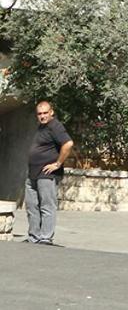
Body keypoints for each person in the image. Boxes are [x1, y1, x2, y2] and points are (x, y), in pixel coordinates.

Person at [26, 101, 73, 245]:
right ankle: (34, 236)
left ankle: (46, 237)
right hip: (33, 172)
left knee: (47, 205)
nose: (42, 116)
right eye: (39, 114)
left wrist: (57, 164)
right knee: (32, 206)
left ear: (51, 112)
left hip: (46, 174)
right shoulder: (42, 127)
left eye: (45, 113)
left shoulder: (55, 126)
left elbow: (68, 144)